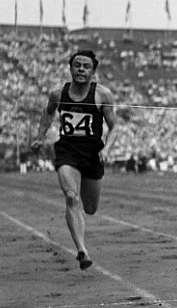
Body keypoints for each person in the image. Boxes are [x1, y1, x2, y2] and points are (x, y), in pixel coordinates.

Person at [30, 49, 118, 270]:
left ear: (93, 71)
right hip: (67, 149)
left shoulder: (102, 95)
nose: (81, 69)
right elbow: (48, 113)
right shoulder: (58, 94)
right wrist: (40, 138)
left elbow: (114, 128)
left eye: (86, 66)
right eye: (77, 65)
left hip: (93, 153)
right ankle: (82, 250)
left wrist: (106, 150)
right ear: (70, 68)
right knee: (71, 196)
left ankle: (81, 243)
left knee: (90, 208)